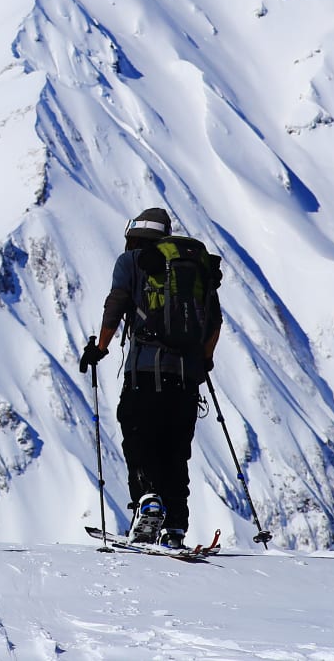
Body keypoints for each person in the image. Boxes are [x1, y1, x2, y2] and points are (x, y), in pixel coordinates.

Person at [79, 207, 222, 548]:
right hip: (186, 378)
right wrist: (204, 361)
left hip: (145, 372)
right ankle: (175, 526)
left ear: (133, 236)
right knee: (176, 452)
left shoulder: (132, 262)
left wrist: (100, 347)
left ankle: (148, 503)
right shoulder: (195, 269)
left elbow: (116, 303)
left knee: (140, 442)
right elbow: (214, 321)